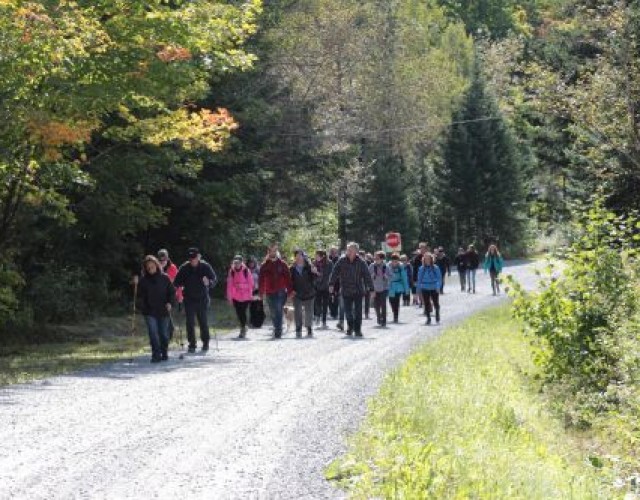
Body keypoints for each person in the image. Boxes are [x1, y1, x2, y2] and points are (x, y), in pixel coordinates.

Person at [174, 248, 217, 353]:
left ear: (199, 257)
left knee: (203, 321)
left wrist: (209, 283)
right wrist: (181, 284)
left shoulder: (205, 266)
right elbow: (176, 282)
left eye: (194, 258)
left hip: (202, 298)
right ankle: (192, 344)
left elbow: (214, 280)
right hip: (189, 299)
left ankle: (205, 343)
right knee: (190, 322)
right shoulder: (184, 268)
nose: (192, 260)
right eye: (190, 258)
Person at [329, 242, 374, 337]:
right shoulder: (342, 261)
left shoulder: (361, 262)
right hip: (346, 290)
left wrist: (371, 288)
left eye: (350, 250)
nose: (348, 251)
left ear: (356, 251)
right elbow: (334, 272)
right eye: (347, 249)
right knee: (348, 312)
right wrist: (331, 284)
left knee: (358, 312)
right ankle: (350, 327)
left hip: (358, 290)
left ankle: (357, 330)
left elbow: (367, 276)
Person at [137, 255, 176, 362]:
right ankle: (156, 354)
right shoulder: (143, 281)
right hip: (149, 311)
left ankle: (164, 351)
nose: (150, 269)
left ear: (156, 265)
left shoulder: (165, 278)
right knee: (153, 333)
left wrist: (170, 303)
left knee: (163, 333)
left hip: (163, 310)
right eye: (148, 267)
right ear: (145, 269)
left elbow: (172, 293)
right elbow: (139, 296)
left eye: (152, 266)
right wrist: (142, 306)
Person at [259, 244, 292, 339]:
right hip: (269, 291)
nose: (272, 252)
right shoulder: (264, 265)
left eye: (274, 251)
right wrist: (261, 292)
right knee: (273, 311)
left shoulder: (283, 264)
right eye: (271, 251)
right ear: (268, 252)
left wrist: (290, 291)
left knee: (278, 309)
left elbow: (288, 279)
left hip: (280, 291)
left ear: (276, 252)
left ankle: (278, 330)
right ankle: (276, 327)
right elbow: (261, 280)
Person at [290, 250, 317, 338]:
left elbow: (315, 279)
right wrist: (291, 290)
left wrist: (315, 273)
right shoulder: (292, 268)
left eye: (300, 255)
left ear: (303, 256)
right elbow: (289, 281)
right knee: (297, 312)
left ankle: (309, 328)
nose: (298, 257)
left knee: (309, 312)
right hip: (297, 293)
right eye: (296, 256)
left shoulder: (309, 267)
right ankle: (298, 329)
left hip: (309, 292)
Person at [226, 255, 254, 339]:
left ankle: (243, 329)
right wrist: (229, 297)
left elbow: (251, 284)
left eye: (238, 262)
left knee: (242, 312)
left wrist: (242, 286)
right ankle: (244, 326)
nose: (237, 264)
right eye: (235, 262)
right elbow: (229, 285)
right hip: (235, 296)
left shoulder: (246, 271)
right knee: (239, 313)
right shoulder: (231, 271)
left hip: (245, 296)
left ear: (242, 262)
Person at [158, 249, 183, 339]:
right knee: (164, 316)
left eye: (164, 260)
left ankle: (168, 334)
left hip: (172, 296)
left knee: (167, 315)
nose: (162, 262)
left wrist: (180, 297)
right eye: (160, 260)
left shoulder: (172, 268)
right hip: (160, 297)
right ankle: (168, 333)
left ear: (167, 259)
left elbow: (178, 284)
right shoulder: (156, 268)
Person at [417, 253, 442, 325]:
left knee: (435, 303)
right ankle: (428, 318)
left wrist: (438, 287)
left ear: (431, 259)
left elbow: (439, 278)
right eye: (426, 259)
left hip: (434, 287)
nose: (427, 260)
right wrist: (418, 289)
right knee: (426, 304)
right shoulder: (421, 268)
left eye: (429, 259)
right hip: (425, 287)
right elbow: (419, 279)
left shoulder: (435, 268)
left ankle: (437, 314)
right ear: (423, 260)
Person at [369, 251, 390, 327]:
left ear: (381, 259)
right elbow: (367, 277)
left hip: (384, 288)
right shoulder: (371, 266)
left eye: (377, 258)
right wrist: (372, 275)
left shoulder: (386, 267)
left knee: (383, 305)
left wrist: (387, 277)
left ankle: (384, 320)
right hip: (374, 289)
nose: (376, 259)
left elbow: (391, 276)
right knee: (376, 305)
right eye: (375, 258)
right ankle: (378, 317)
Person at [313, 250, 333, 329]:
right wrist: (313, 272)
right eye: (315, 255)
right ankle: (317, 316)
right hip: (317, 286)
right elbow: (312, 275)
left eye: (317, 255)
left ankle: (324, 321)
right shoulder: (314, 263)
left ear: (322, 256)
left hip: (326, 286)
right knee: (317, 303)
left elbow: (328, 274)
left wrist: (317, 273)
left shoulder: (329, 263)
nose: (315, 257)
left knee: (325, 304)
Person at [388, 253, 409, 323]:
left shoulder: (401, 267)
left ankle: (395, 317)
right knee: (391, 301)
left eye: (396, 261)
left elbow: (404, 278)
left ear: (398, 260)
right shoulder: (387, 266)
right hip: (390, 286)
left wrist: (407, 289)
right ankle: (394, 312)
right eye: (393, 261)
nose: (394, 262)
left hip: (398, 286)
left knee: (397, 302)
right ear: (391, 260)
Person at [412, 242, 429, 308]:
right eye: (420, 248)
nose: (422, 249)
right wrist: (414, 280)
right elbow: (415, 269)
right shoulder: (417, 258)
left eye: (423, 248)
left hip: (428, 278)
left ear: (426, 249)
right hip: (419, 278)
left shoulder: (429, 256)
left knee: (427, 293)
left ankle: (427, 306)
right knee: (420, 292)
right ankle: (423, 303)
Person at [328, 247, 341, 319]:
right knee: (329, 297)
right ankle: (332, 311)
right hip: (328, 281)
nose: (332, 253)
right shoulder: (328, 259)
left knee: (336, 297)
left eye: (334, 251)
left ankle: (335, 312)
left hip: (337, 282)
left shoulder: (339, 260)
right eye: (331, 251)